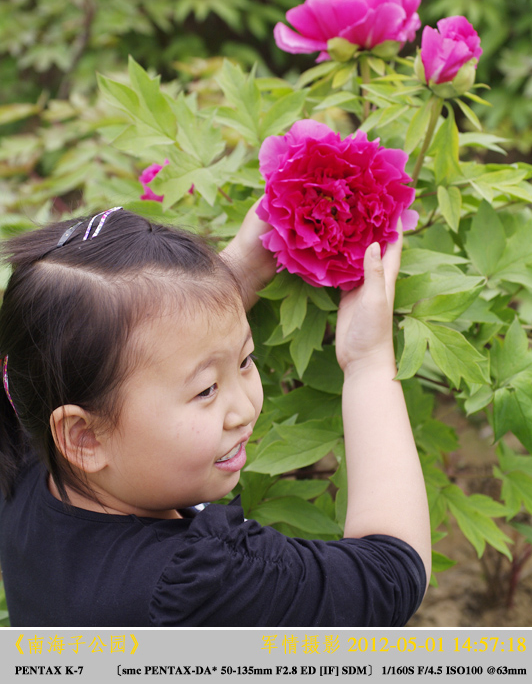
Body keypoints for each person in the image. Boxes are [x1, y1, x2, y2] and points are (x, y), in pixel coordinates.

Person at [0, 205, 430, 627]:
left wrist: (235, 274)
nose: (244, 410)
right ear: (83, 437)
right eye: (206, 390)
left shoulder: (26, 452)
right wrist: (367, 362)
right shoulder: (192, 589)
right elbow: (389, 575)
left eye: (246, 360)